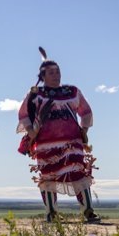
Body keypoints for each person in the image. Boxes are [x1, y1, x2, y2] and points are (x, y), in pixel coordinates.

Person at [17, 48, 100, 223]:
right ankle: (52, 213)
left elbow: (86, 112)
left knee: (78, 173)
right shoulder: (36, 95)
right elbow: (24, 114)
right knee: (48, 177)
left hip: (72, 142)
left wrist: (83, 131)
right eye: (51, 73)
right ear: (43, 76)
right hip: (46, 144)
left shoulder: (72, 92)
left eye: (58, 72)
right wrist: (31, 131)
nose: (56, 75)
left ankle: (88, 211)